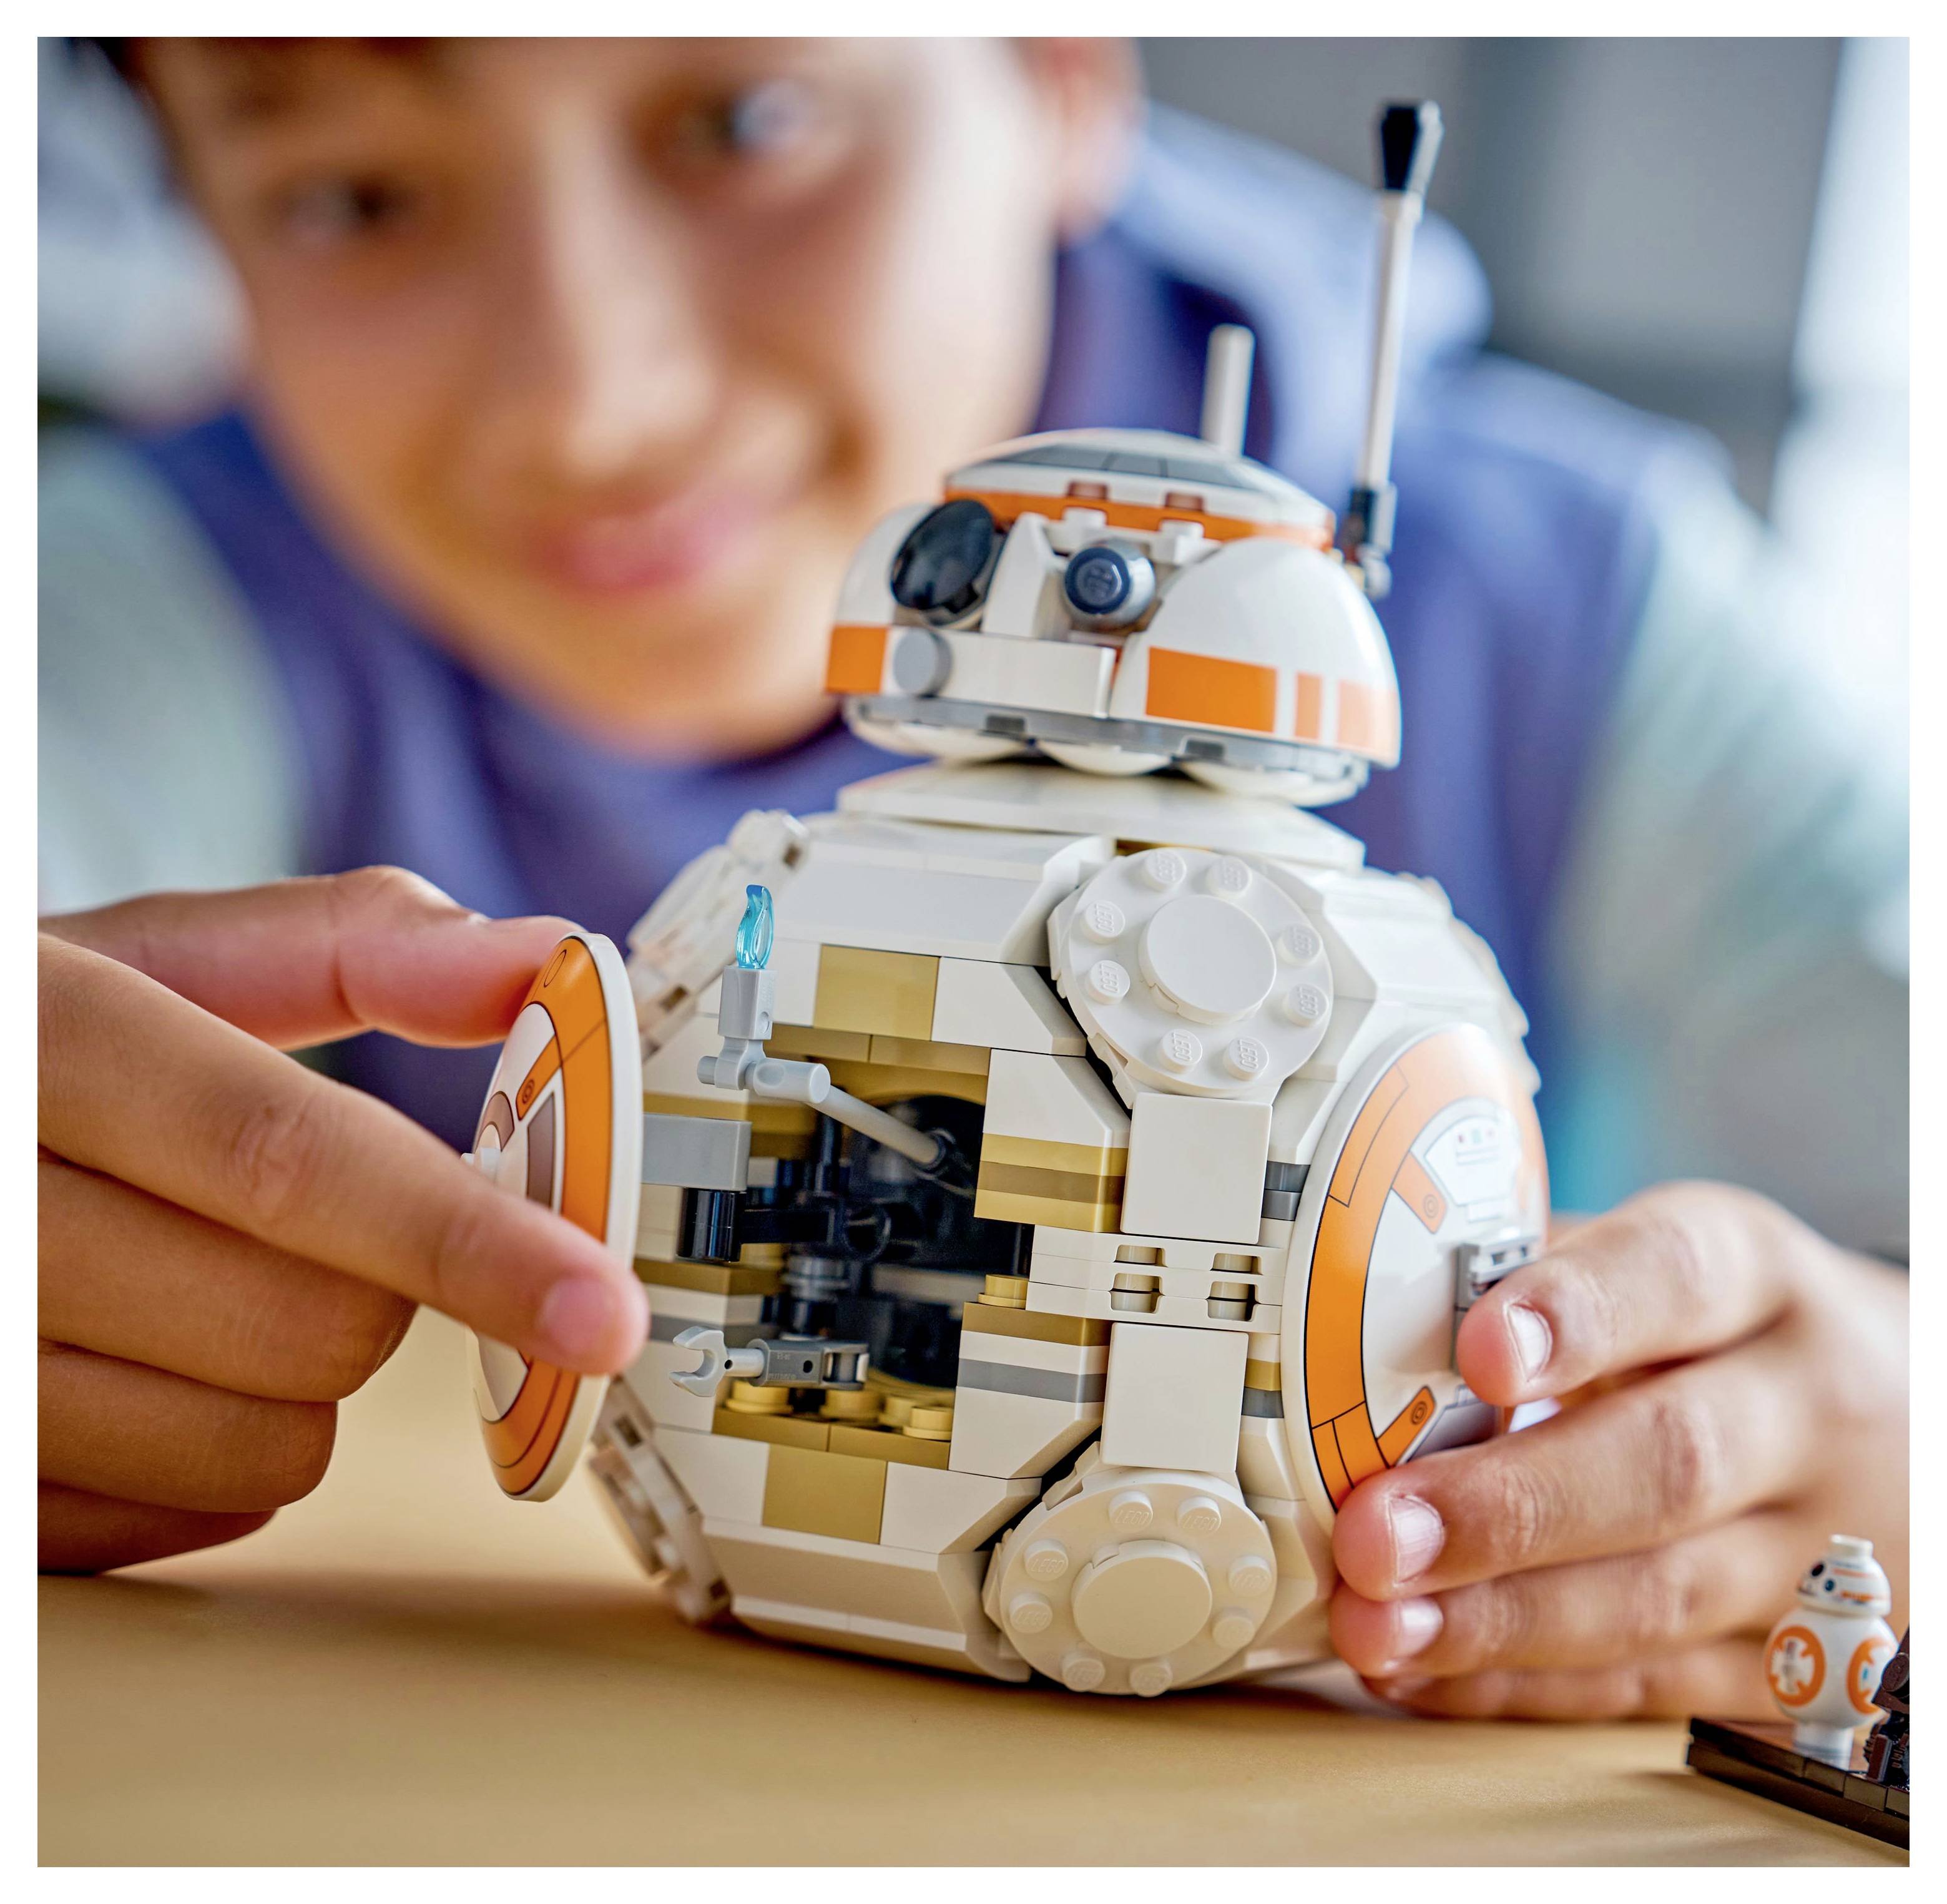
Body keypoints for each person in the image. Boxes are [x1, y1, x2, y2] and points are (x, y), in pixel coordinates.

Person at [37, 38, 1908, 1720]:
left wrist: (1887, 1425)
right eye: (354, 193)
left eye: (745, 120)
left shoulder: (1588, 607)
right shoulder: (143, 605)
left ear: (1060, 65)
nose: (591, 397)